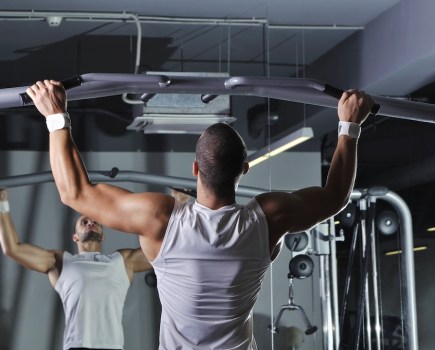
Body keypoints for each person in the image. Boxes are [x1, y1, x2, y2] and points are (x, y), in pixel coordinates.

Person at [27, 79, 374, 350]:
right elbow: (334, 197)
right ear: (244, 170)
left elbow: (74, 193)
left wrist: (55, 116)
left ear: (195, 168)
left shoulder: (161, 219)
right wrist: (349, 126)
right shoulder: (269, 217)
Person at [0, 188, 152, 350]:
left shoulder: (122, 261)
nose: (90, 223)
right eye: (84, 222)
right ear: (75, 237)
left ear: (102, 235)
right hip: (78, 347)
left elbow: (165, 251)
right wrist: (2, 203)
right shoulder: (61, 262)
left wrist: (181, 207)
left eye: (95, 222)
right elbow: (13, 249)